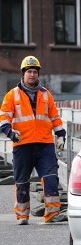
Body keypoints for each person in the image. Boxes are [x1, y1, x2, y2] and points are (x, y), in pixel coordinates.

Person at [0, 56, 67, 225]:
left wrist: (60, 135)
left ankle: (52, 214)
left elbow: (54, 117)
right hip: (22, 145)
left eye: (35, 72)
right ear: (23, 74)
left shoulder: (46, 95)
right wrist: (10, 132)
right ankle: (22, 215)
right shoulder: (12, 95)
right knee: (22, 181)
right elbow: (4, 118)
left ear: (38, 74)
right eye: (29, 71)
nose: (32, 75)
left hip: (45, 144)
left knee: (51, 177)